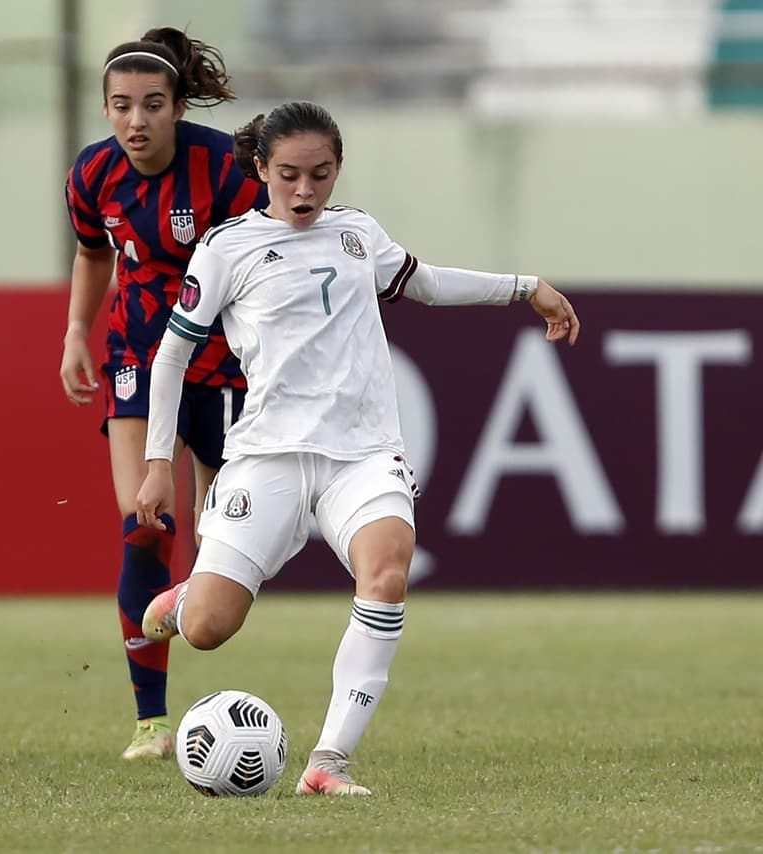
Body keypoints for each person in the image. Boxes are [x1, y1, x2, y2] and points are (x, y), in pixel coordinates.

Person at [136, 101, 580, 795]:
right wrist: (158, 463)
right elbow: (171, 356)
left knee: (386, 577)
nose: (306, 191)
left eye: (321, 174)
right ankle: (192, 596)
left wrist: (527, 289)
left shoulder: (356, 235)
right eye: (289, 175)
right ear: (261, 169)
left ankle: (328, 763)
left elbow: (426, 283)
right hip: (268, 457)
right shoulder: (227, 247)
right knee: (208, 630)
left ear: (338, 169)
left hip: (364, 453)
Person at [60, 27, 269, 760]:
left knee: (220, 541)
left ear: (179, 107)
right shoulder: (92, 176)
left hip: (221, 364)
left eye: (152, 105)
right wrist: (76, 331)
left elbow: (278, 246)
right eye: (120, 106)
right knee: (143, 519)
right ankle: (151, 722)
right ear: (107, 110)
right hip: (137, 357)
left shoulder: (227, 170)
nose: (135, 121)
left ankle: (191, 596)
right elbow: (92, 254)